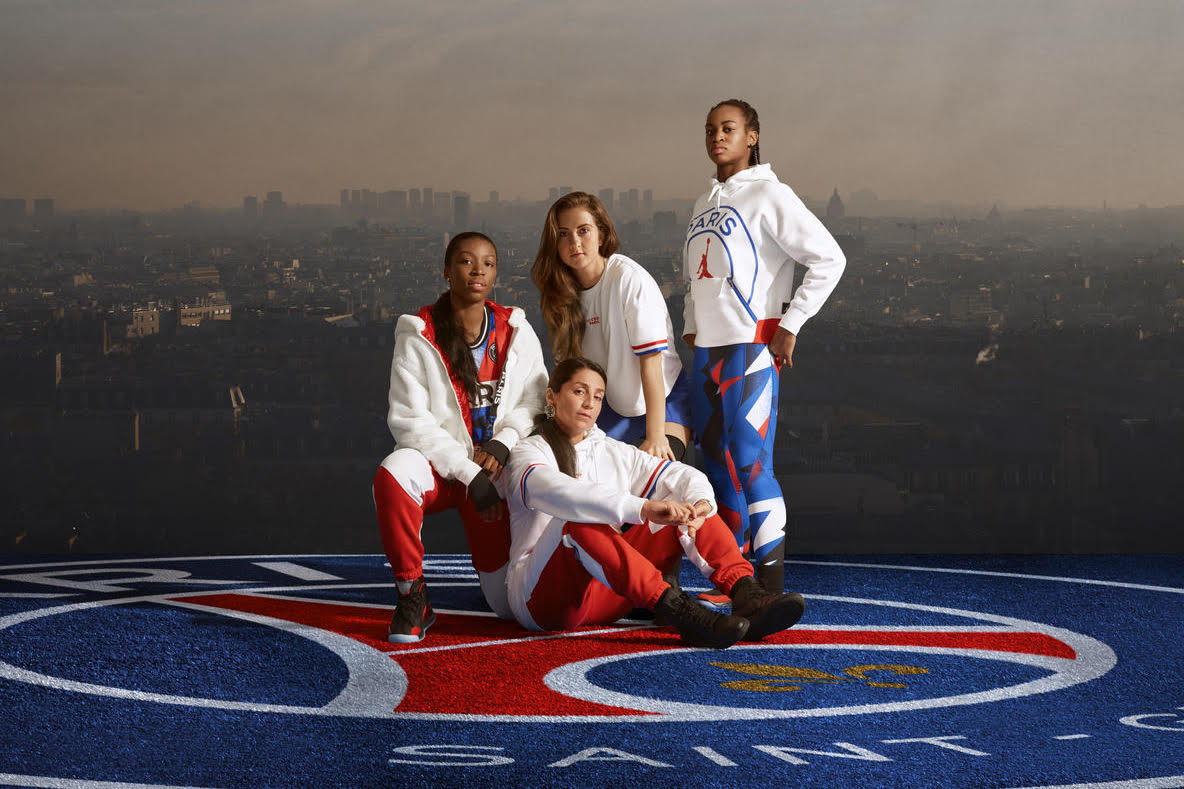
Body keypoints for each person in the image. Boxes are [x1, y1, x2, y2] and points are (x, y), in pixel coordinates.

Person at [503, 357, 806, 648]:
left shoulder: (611, 450)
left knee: (682, 500)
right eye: (579, 392)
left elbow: (678, 474)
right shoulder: (527, 452)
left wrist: (700, 502)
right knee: (577, 521)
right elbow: (562, 494)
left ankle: (746, 593)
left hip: (606, 593)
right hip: (543, 602)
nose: (589, 404)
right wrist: (642, 507)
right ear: (552, 396)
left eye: (597, 396)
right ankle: (679, 612)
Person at [683, 98, 846, 599]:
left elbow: (830, 258)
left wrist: (791, 323)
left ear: (751, 136)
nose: (717, 136)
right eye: (710, 129)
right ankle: (736, 579)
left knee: (752, 464)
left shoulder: (771, 194)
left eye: (728, 128)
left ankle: (770, 585)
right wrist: (691, 325)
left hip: (750, 349)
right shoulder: (703, 202)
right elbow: (696, 277)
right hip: (707, 354)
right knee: (717, 465)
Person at [373, 231, 547, 643]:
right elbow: (409, 421)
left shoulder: (515, 330)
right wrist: (469, 474)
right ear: (447, 271)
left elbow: (537, 401)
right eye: (467, 261)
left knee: (506, 606)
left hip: (495, 471)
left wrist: (504, 440)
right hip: (445, 469)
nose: (478, 271)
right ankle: (412, 595)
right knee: (392, 474)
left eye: (488, 263)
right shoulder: (419, 334)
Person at [531, 191, 690, 463]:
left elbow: (651, 363)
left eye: (583, 231)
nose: (574, 242)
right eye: (563, 234)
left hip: (661, 403)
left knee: (647, 473)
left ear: (601, 236)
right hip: (607, 408)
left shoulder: (628, 279)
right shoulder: (559, 295)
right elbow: (571, 374)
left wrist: (655, 437)